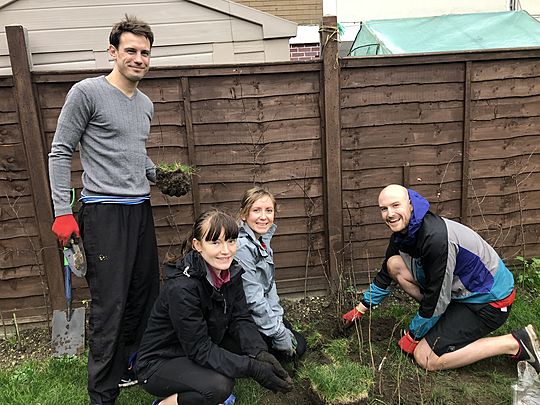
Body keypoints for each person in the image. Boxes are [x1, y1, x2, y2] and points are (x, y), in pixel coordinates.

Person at [48, 15, 160, 404]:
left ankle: (131, 365)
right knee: (110, 304)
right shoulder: (87, 93)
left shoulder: (145, 104)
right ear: (112, 52)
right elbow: (60, 151)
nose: (139, 58)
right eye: (131, 50)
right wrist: (62, 210)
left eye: (145, 52)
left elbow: (136, 154)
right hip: (104, 213)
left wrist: (159, 175)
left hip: (140, 210)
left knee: (143, 295)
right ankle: (102, 392)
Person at [342, 184, 540, 373]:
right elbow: (386, 274)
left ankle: (515, 343)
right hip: (461, 293)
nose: (390, 214)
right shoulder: (404, 232)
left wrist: (413, 335)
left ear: (410, 204)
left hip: (489, 302)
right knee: (394, 264)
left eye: (395, 205)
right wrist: (361, 309)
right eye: (383, 209)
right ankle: (444, 320)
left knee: (425, 358)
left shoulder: (435, 238)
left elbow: (437, 298)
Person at [136, 209, 293, 405]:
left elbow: (240, 318)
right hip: (160, 361)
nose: (226, 250)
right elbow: (200, 349)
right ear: (197, 245)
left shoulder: (231, 272)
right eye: (215, 242)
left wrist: (259, 353)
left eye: (230, 241)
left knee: (257, 341)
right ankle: (163, 404)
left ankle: (200, 379)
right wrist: (253, 368)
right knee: (219, 386)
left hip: (199, 345)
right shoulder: (182, 288)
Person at [235, 187, 306, 359]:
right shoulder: (242, 247)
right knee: (289, 349)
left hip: (257, 310)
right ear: (244, 215)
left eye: (269, 210)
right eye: (256, 210)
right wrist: (279, 333)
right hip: (242, 316)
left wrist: (278, 319)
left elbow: (269, 286)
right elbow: (252, 298)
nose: (263, 217)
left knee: (298, 343)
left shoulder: (262, 241)